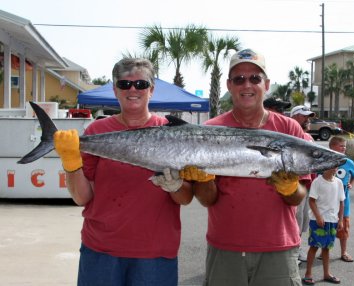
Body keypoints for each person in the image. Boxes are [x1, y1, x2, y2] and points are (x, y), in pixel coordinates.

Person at [53, 58, 197, 286]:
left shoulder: (174, 133)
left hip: (155, 255)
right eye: (124, 84)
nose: (132, 90)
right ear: (115, 90)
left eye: (140, 84)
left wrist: (176, 186)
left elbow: (186, 198)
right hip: (101, 251)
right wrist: (71, 164)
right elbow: (82, 197)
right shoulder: (96, 130)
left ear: (151, 89)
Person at [191, 48, 310, 286]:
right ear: (229, 85)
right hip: (225, 248)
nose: (247, 85)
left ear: (266, 84)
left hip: (279, 247)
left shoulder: (290, 129)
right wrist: (203, 180)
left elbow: (299, 197)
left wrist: (289, 188)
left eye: (255, 78)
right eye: (239, 79)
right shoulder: (209, 130)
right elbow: (207, 199)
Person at [302, 167, 345, 285]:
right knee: (314, 246)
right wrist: (318, 216)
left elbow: (342, 202)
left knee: (327, 248)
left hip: (332, 220)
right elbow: (311, 201)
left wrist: (340, 220)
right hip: (318, 221)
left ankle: (326, 274)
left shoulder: (339, 182)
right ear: (325, 166)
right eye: (332, 166)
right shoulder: (317, 181)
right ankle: (308, 274)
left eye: (336, 166)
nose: (335, 169)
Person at [290, 105, 316, 263]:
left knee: (303, 220)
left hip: (308, 185)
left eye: (308, 116)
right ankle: (292, 251)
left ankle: (297, 247)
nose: (307, 119)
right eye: (303, 116)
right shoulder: (290, 135)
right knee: (295, 220)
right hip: (295, 185)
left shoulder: (309, 137)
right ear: (294, 117)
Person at [329, 136, 354, 263]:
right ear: (332, 147)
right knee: (327, 228)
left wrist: (351, 183)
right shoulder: (326, 160)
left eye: (345, 146)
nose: (344, 148)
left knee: (344, 228)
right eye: (341, 146)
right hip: (328, 203)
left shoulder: (349, 162)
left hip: (344, 204)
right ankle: (325, 250)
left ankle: (343, 252)